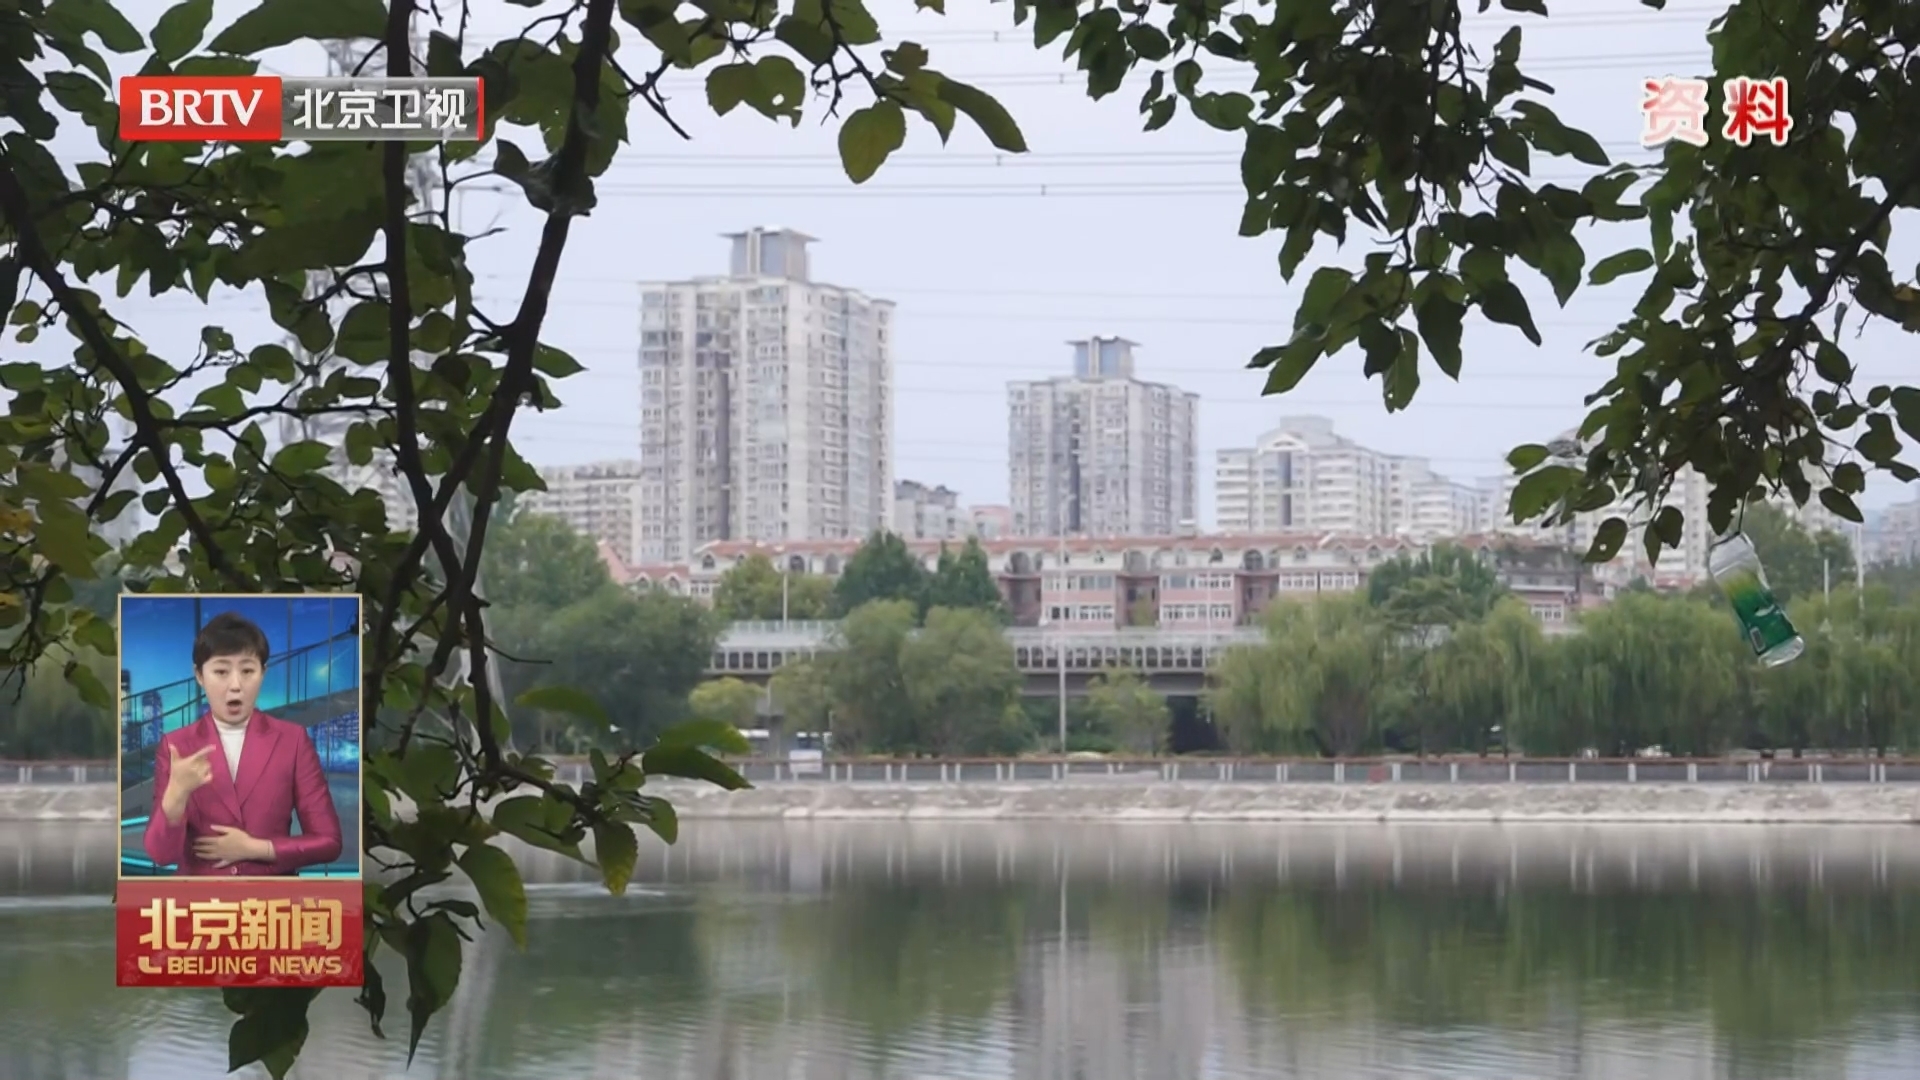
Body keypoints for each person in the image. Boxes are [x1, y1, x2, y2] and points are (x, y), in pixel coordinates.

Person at [142, 611, 343, 876]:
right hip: (201, 910)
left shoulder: (292, 741)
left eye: (247, 670)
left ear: (263, 673)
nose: (235, 685)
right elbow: (161, 854)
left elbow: (329, 842)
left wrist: (257, 849)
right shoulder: (177, 745)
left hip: (270, 910)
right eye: (221, 671)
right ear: (199, 675)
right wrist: (176, 793)